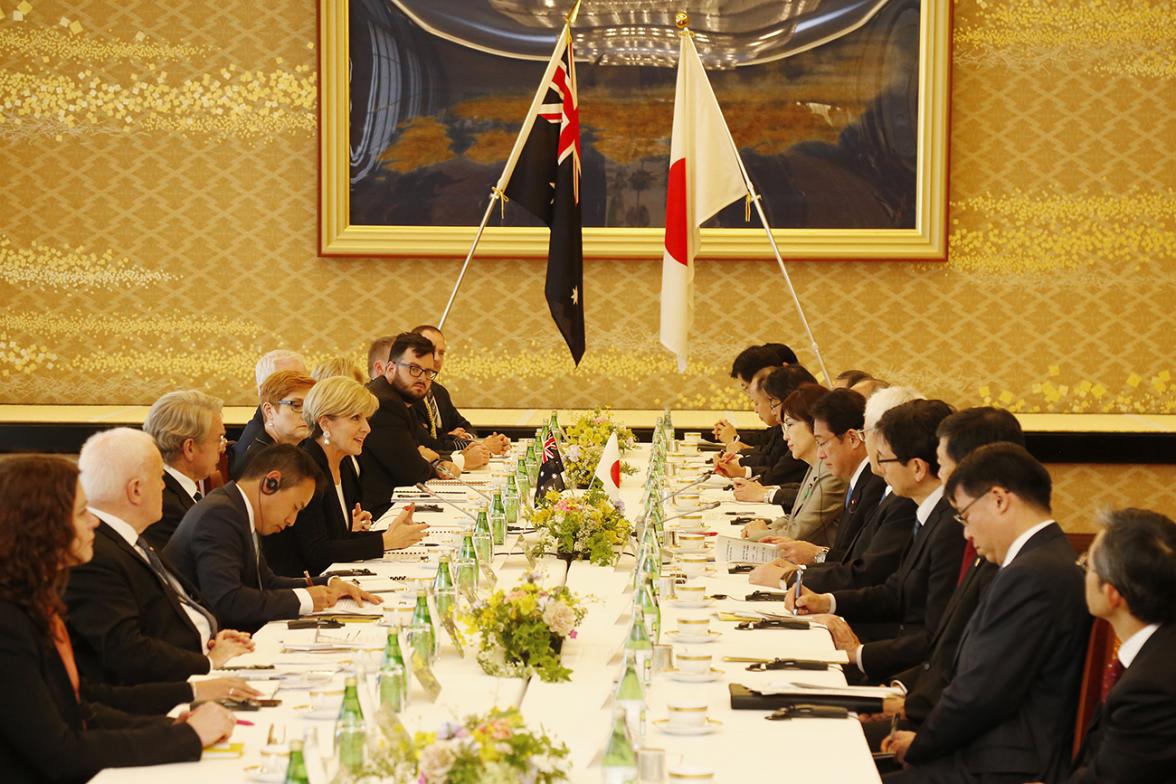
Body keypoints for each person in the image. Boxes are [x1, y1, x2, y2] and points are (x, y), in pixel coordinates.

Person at [0, 455, 238, 783]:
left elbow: (80, 704)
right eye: (82, 513)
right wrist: (188, 736)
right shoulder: (8, 623)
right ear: (42, 527)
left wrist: (173, 725)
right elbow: (60, 752)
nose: (94, 522)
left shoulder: (34, 603)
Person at [882, 444, 1090, 783]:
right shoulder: (1043, 559)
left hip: (1003, 763)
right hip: (990, 747)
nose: (966, 532)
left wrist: (922, 746)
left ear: (998, 499)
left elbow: (980, 692)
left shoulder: (1033, 573)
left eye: (964, 515)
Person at [860, 407, 1025, 756]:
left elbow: (979, 678)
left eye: (945, 464)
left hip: (952, 734)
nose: (940, 475)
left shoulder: (1011, 562)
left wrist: (908, 712)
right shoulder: (979, 540)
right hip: (925, 698)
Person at [66, 429, 259, 686]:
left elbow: (174, 613)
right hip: (169, 692)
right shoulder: (95, 555)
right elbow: (127, 652)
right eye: (159, 477)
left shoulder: (130, 538)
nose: (163, 486)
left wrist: (213, 637)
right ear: (135, 490)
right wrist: (209, 661)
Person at [793, 399, 963, 682]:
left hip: (906, 671)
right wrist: (826, 602)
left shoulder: (949, 527)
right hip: (892, 650)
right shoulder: (927, 513)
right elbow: (895, 591)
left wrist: (859, 654)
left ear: (918, 468)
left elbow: (935, 635)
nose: (880, 470)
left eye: (884, 459)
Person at [163, 444, 381, 633]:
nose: (292, 521)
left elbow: (265, 582)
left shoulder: (237, 508)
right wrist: (306, 600)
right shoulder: (220, 515)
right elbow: (227, 601)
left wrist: (328, 583)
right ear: (271, 483)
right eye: (295, 507)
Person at [751, 386, 922, 593]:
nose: (865, 442)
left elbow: (868, 573)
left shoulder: (889, 491)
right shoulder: (869, 483)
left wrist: (793, 577)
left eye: (867, 434)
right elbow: (854, 559)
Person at [262, 377, 429, 577]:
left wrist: (390, 535)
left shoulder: (345, 465)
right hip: (301, 589)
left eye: (366, 418)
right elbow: (317, 553)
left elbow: (339, 539)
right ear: (325, 423)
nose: (367, 428)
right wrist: (385, 541)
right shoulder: (303, 471)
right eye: (355, 418)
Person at [1067, 508, 1176, 784]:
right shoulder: (1159, 648)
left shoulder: (1151, 688)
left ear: (1112, 594)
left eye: (1086, 565)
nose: (1083, 572)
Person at [359, 332, 461, 518]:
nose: (422, 378)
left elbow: (426, 448)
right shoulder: (384, 404)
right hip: (378, 513)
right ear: (390, 368)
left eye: (429, 372)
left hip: (397, 502)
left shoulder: (401, 401)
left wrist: (430, 457)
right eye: (414, 368)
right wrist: (431, 461)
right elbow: (413, 472)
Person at [741, 383, 848, 548]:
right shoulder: (816, 465)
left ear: (814, 424)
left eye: (790, 425)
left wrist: (759, 534)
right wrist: (767, 527)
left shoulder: (831, 471)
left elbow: (798, 533)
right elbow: (795, 516)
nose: (785, 436)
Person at [141, 389, 226, 550]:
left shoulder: (176, 491)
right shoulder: (165, 508)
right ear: (190, 448)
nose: (222, 448)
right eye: (218, 439)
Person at [723, 364, 817, 503]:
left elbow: (778, 474)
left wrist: (765, 494)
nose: (786, 436)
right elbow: (803, 488)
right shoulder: (787, 429)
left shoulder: (820, 450)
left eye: (772, 401)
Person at [411, 325, 509, 457]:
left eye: (441, 353)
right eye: (431, 350)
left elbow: (466, 426)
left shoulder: (439, 392)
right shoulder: (411, 394)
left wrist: (464, 437)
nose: (437, 358)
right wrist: (481, 446)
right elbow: (430, 445)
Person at [229, 349, 307, 480]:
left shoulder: (302, 429)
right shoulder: (255, 455)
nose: (298, 388)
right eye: (286, 383)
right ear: (262, 390)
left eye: (301, 380)